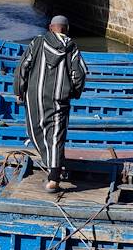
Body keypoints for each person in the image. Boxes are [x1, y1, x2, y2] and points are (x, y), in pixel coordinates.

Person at [14, 15, 87, 192]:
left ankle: (52, 168)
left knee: (35, 130)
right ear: (66, 29)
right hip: (59, 98)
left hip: (35, 97)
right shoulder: (72, 47)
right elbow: (80, 74)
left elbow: (23, 67)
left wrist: (19, 91)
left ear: (50, 27)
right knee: (56, 135)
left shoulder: (37, 43)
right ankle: (53, 176)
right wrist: (75, 92)